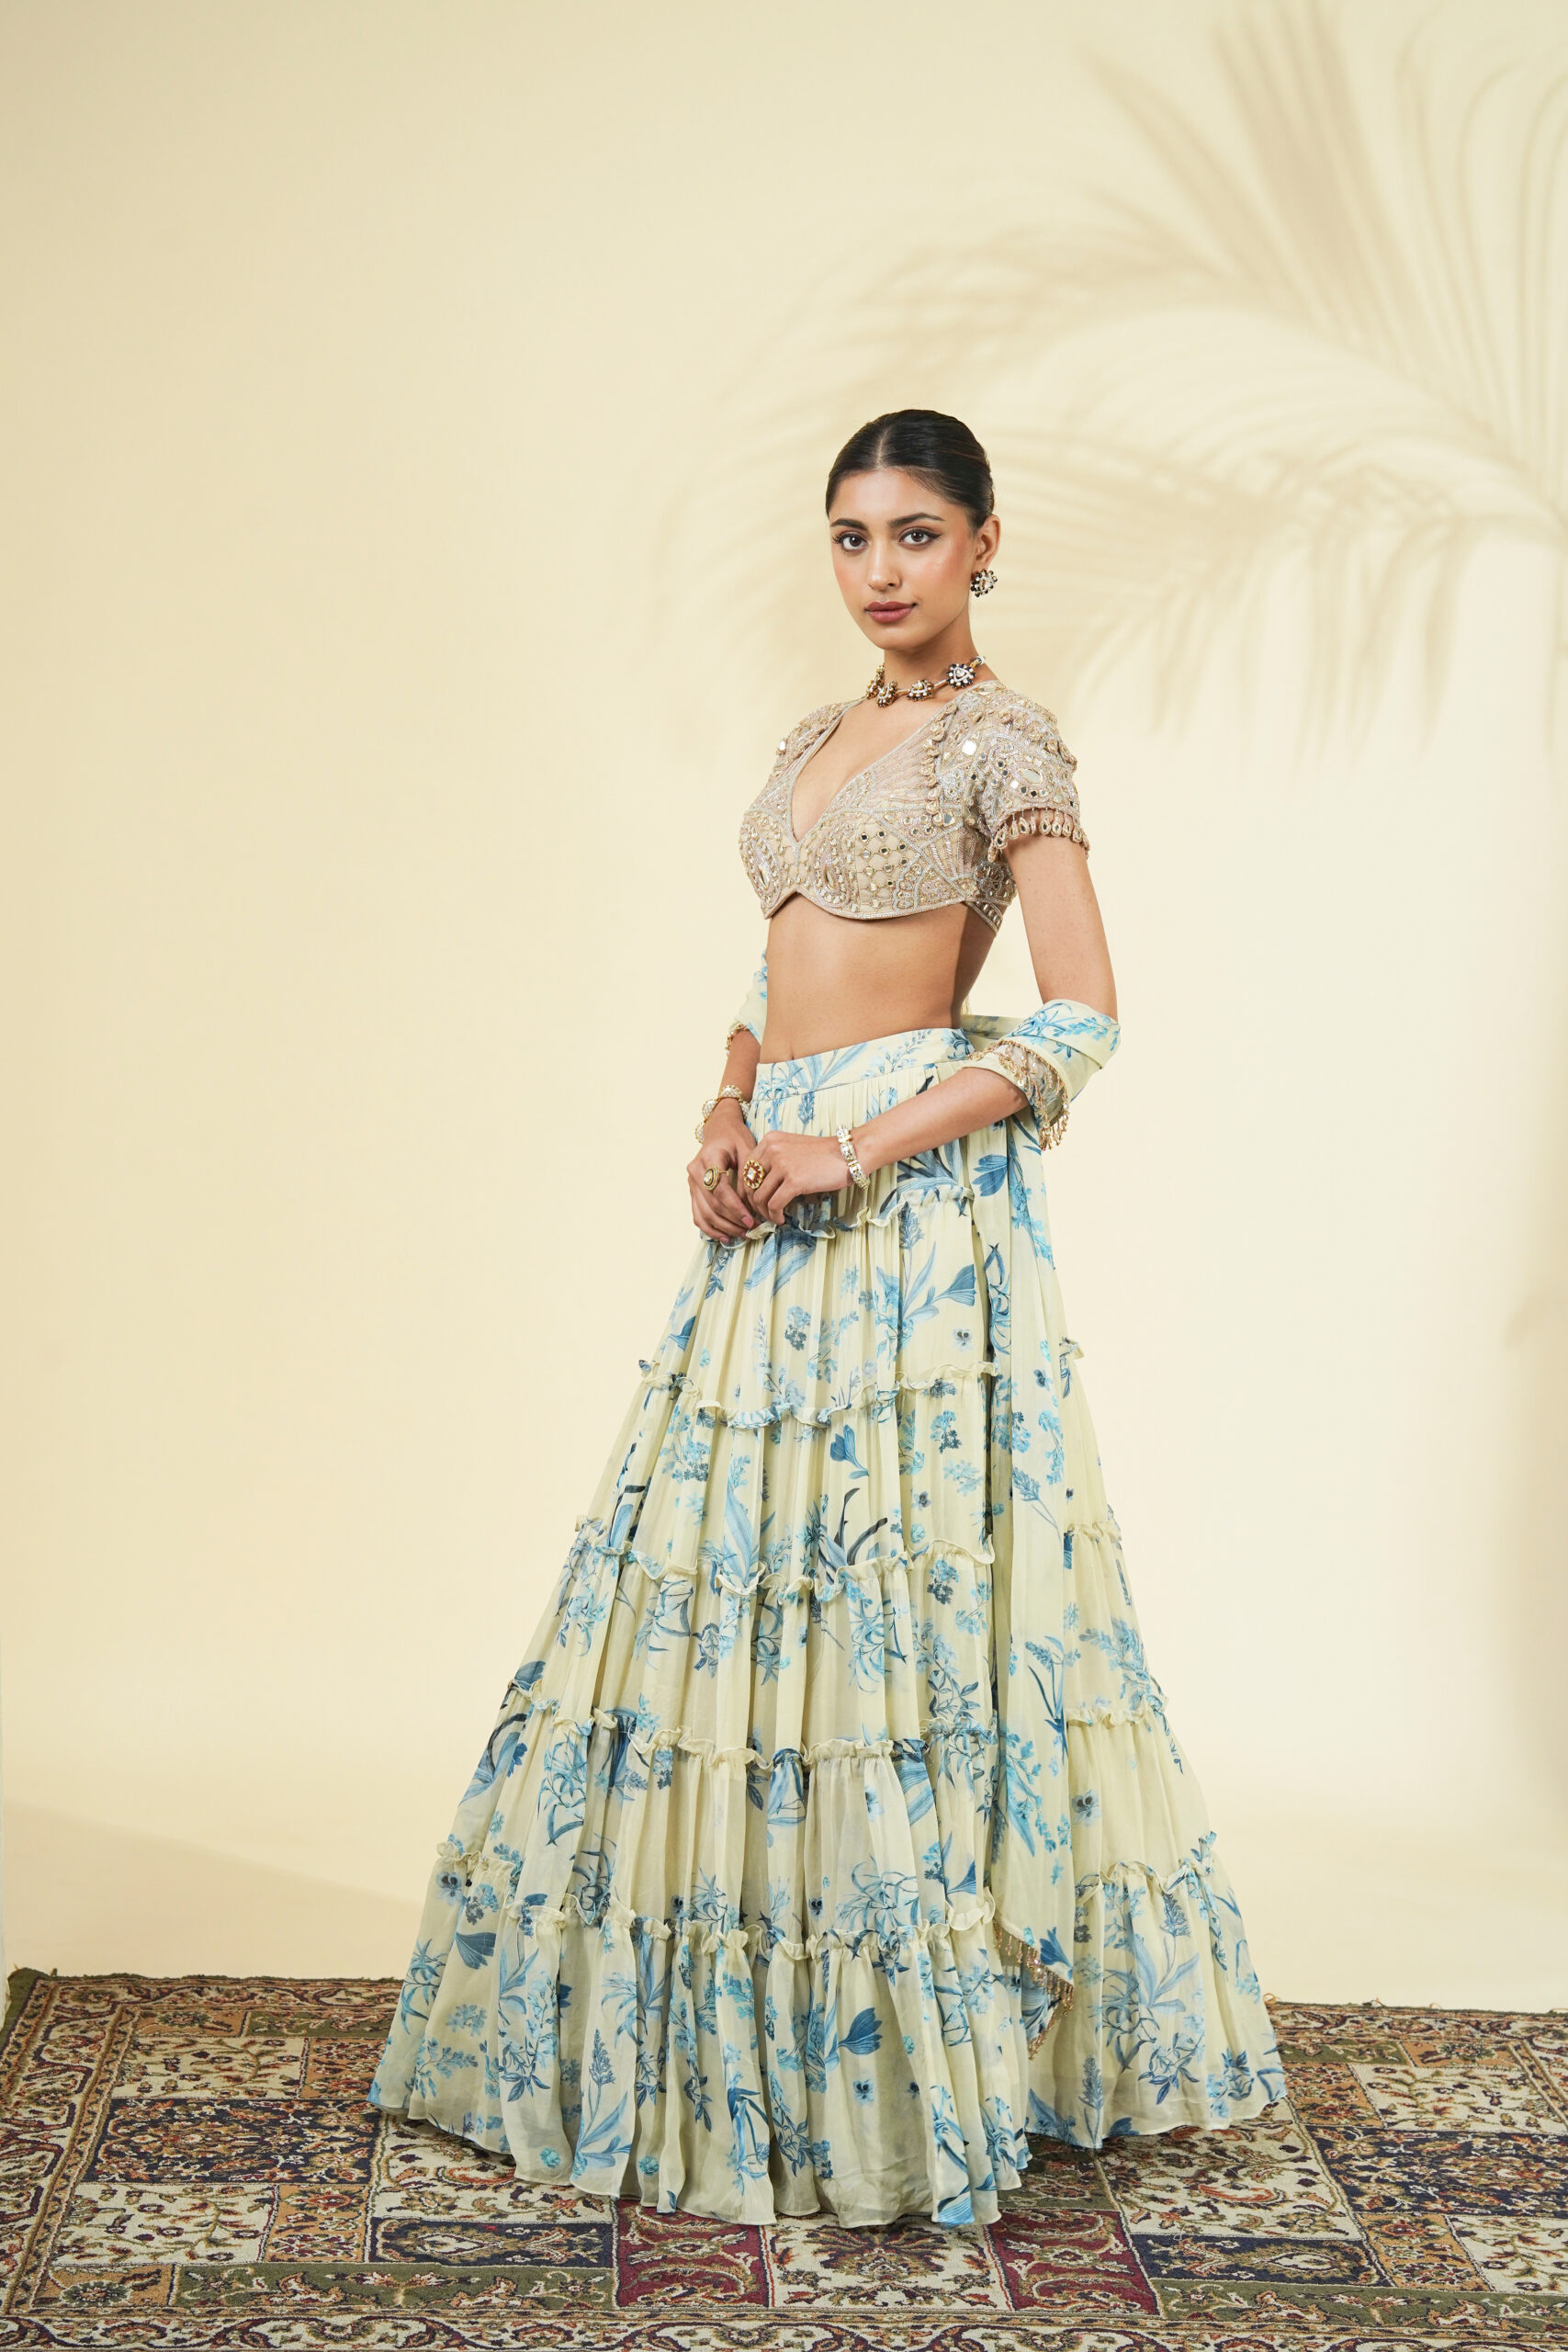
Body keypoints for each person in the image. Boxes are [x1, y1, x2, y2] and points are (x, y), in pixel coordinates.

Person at [369, 409, 1285, 2231]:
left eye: (916, 533)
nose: (880, 568)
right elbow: (769, 968)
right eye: (852, 535)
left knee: (884, 1598)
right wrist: (725, 1113)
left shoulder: (1003, 739)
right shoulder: (814, 736)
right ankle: (721, 2035)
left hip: (896, 1209)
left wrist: (846, 1146)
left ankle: (901, 2063)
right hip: (768, 1182)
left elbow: (1080, 1015)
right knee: (723, 1591)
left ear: (984, 542)